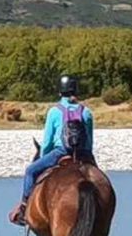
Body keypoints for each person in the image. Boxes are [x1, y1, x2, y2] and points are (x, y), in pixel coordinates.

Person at [9, 74, 96, 225]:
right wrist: (89, 158)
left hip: (61, 152)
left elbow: (47, 141)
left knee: (30, 171)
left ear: (60, 91)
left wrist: (43, 157)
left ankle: (24, 209)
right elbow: (89, 141)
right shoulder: (86, 112)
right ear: (76, 90)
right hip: (83, 154)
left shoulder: (54, 111)